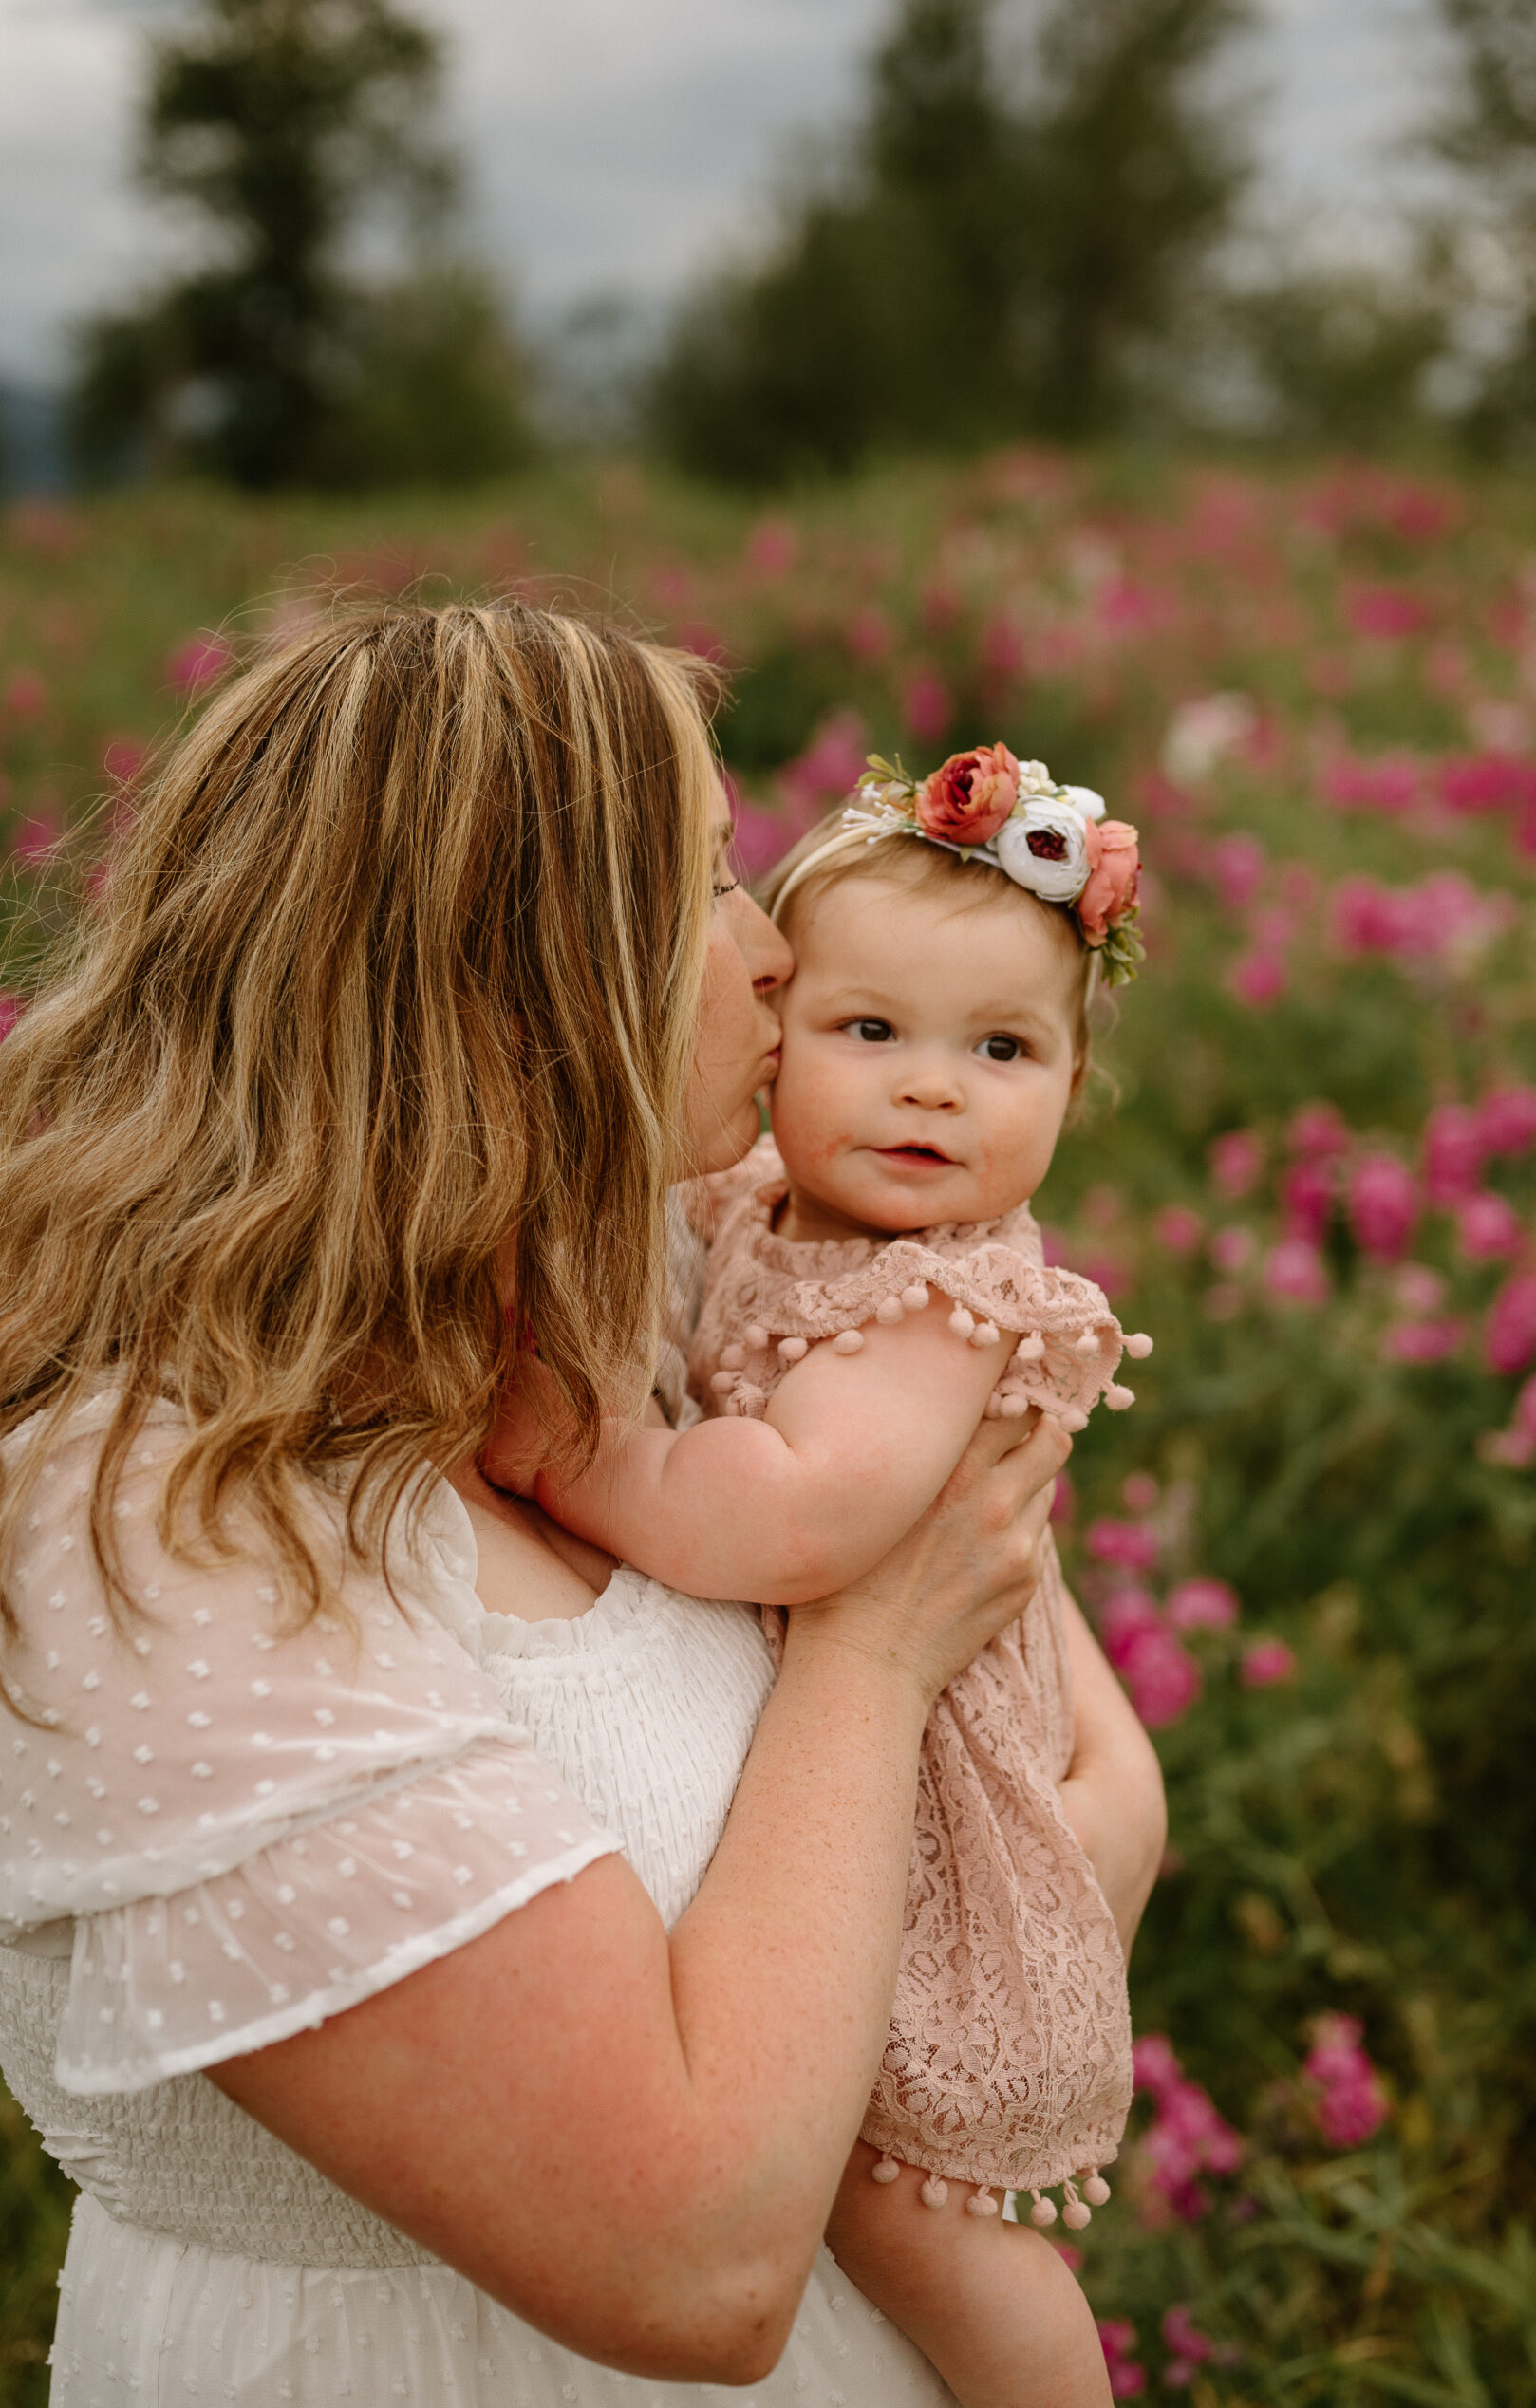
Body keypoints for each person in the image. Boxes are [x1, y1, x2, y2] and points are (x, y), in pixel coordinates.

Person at [0, 607, 1096, 2407]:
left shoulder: (640, 1285)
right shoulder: (153, 1523)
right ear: (507, 987)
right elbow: (698, 2263)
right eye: (708, 887)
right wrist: (871, 1662)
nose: (773, 954)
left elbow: (1092, 1783)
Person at [498, 745, 1167, 2407]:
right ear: (774, 1032)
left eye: (1001, 1051)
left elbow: (790, 1514)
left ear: (1072, 1096)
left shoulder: (947, 1305)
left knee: (912, 2212)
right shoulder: (768, 1204)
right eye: (873, 1034)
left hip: (930, 1812)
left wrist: (578, 1458)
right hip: (850, 1766)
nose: (931, 1089)